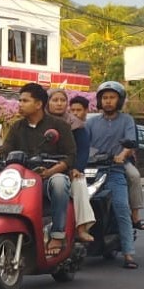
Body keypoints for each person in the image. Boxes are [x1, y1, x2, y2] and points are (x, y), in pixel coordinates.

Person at [0, 85, 78, 286]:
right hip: (23, 180)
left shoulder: (58, 126)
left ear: (38, 104)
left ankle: (58, 235)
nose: (20, 104)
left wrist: (50, 172)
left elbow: (70, 156)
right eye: (20, 100)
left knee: (60, 184)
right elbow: (7, 149)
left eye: (25, 100)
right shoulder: (17, 127)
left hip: (47, 178)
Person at [83, 81, 139, 269]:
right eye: (105, 98)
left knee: (121, 207)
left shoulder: (127, 120)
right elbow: (84, 146)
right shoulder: (90, 123)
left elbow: (130, 143)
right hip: (90, 172)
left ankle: (129, 253)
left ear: (119, 100)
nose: (108, 101)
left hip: (114, 171)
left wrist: (121, 156)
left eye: (112, 98)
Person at [49, 89, 95, 243]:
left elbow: (82, 150)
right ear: (47, 103)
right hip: (43, 167)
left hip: (68, 168)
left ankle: (81, 228)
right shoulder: (40, 121)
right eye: (55, 100)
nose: (59, 103)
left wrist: (77, 168)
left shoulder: (75, 124)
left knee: (79, 183)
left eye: (62, 100)